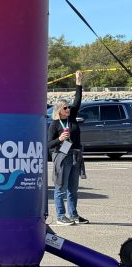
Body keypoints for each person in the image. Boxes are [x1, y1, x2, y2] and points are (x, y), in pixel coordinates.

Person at [48, 71, 87, 225]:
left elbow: (77, 100)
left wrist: (78, 82)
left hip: (75, 154)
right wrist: (59, 139)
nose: (68, 109)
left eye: (68, 107)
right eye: (65, 108)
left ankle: (74, 214)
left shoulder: (71, 118)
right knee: (61, 187)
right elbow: (48, 144)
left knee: (73, 188)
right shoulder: (55, 124)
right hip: (62, 155)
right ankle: (60, 216)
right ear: (59, 110)